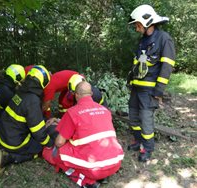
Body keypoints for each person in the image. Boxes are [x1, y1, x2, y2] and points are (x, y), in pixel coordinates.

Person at [42, 81, 124, 188]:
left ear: (76, 95)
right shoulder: (104, 110)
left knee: (57, 153)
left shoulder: (72, 112)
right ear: (91, 94)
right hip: (115, 163)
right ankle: (103, 177)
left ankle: (87, 182)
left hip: (95, 169)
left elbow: (59, 142)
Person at [127, 4, 176, 162]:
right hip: (136, 87)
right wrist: (130, 79)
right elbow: (138, 64)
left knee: (146, 120)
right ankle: (138, 140)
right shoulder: (142, 41)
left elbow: (167, 66)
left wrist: (159, 91)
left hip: (149, 91)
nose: (136, 28)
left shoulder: (164, 39)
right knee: (133, 116)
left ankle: (147, 148)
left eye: (137, 24)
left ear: (146, 21)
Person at [0, 65, 54, 174]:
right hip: (12, 142)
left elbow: (27, 115)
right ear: (43, 82)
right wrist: (50, 143)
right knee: (39, 148)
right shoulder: (32, 100)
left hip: (0, 134)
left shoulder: (21, 91)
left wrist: (44, 120)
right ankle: (9, 157)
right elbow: (38, 133)